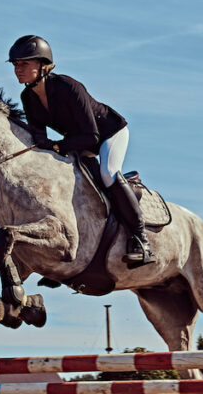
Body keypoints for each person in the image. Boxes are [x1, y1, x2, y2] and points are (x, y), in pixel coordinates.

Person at [9, 35, 154, 265]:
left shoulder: (68, 86)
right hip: (78, 141)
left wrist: (57, 146)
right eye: (16, 65)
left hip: (108, 133)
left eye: (24, 64)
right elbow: (38, 136)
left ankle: (141, 240)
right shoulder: (28, 97)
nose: (18, 69)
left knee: (108, 173)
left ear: (43, 65)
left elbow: (92, 135)